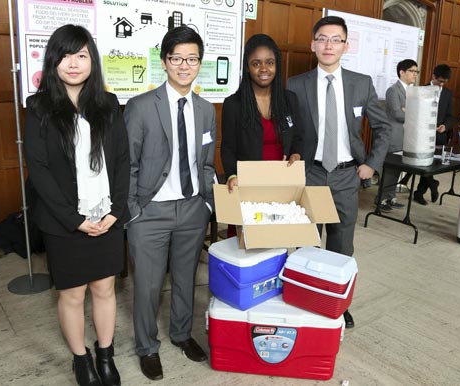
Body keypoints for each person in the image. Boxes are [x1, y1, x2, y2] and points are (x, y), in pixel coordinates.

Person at [24, 25, 129, 386]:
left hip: (107, 216)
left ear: (92, 61)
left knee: (104, 288)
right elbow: (37, 169)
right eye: (66, 55)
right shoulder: (38, 107)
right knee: (72, 293)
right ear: (54, 60)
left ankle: (105, 354)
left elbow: (121, 160)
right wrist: (75, 220)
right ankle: (80, 359)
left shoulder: (109, 104)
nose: (74, 63)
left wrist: (117, 211)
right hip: (64, 222)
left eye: (82, 55)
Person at [124, 26, 216, 381]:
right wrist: (134, 211)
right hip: (150, 213)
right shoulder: (141, 106)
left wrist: (208, 204)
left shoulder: (207, 110)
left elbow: (206, 163)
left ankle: (181, 333)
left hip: (192, 209)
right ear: (164, 62)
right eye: (176, 58)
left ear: (199, 65)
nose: (184, 65)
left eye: (191, 59)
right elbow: (128, 165)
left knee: (185, 279)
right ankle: (147, 347)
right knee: (147, 286)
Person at [287, 16, 391, 329]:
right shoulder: (295, 85)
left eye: (336, 39)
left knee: (342, 245)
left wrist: (371, 164)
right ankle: (306, 298)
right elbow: (286, 130)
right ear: (312, 44)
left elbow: (383, 127)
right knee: (306, 243)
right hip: (311, 174)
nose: (328, 45)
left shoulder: (361, 83)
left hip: (347, 175)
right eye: (322, 38)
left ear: (346, 45)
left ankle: (337, 304)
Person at [221, 33, 303, 236]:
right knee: (247, 242)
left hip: (280, 186)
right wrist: (232, 175)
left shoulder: (289, 100)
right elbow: (228, 147)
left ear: (277, 65)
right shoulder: (234, 104)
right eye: (256, 63)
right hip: (248, 186)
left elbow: (299, 137)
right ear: (247, 68)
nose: (264, 69)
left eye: (270, 62)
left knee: (276, 237)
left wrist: (296, 154)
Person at [376, 59, 418, 212]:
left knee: (397, 170)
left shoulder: (412, 91)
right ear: (402, 72)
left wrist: (407, 111)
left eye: (416, 72)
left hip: (405, 136)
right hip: (394, 136)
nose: (415, 74)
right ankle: (380, 200)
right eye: (412, 71)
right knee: (389, 170)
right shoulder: (393, 90)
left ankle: (391, 198)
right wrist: (412, 112)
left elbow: (406, 112)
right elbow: (396, 113)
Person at [414, 64, 455, 205]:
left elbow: (450, 115)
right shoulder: (421, 90)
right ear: (433, 77)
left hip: (439, 135)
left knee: (431, 165)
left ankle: (419, 193)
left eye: (444, 82)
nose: (441, 84)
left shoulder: (448, 94)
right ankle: (432, 184)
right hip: (422, 134)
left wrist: (445, 126)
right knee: (422, 164)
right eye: (439, 81)